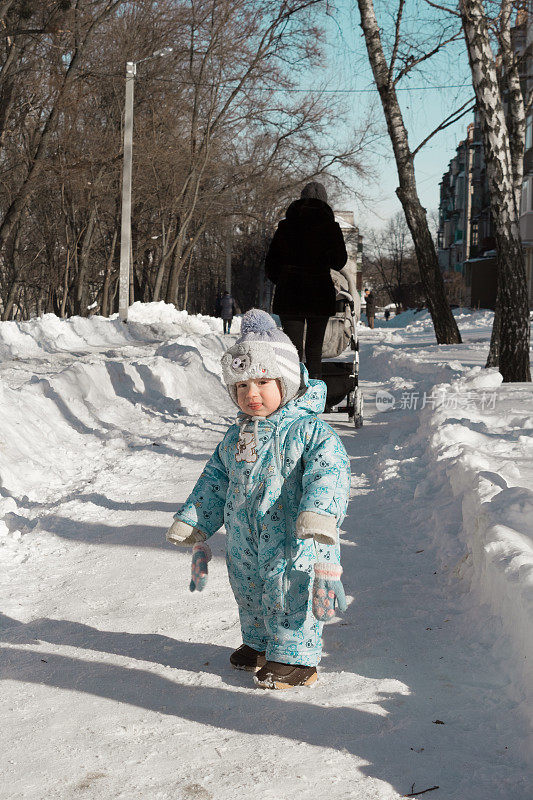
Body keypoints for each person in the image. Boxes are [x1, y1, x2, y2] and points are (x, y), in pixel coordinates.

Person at [166, 309, 351, 690]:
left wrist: (318, 512)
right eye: (241, 386)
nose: (251, 394)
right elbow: (216, 479)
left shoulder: (309, 430)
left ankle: (295, 657)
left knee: (287, 589)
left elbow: (330, 471)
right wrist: (195, 520)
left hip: (292, 539)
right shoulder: (239, 436)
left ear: (287, 381)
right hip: (245, 536)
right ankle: (260, 642)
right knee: (248, 586)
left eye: (263, 382)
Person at [265, 181, 347, 379]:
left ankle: (293, 392)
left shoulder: (285, 227)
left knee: (292, 349)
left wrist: (284, 279)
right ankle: (314, 393)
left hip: (290, 294)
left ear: (301, 200)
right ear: (324, 203)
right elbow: (339, 261)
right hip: (319, 293)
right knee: (314, 348)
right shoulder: (330, 227)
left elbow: (271, 265)